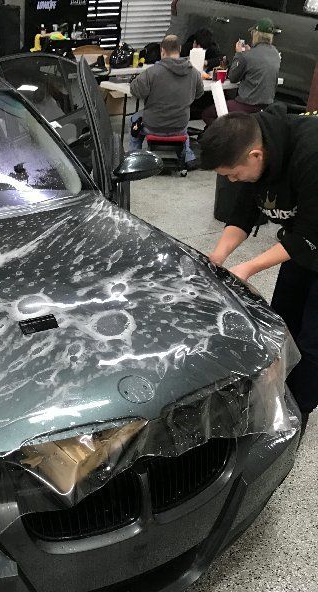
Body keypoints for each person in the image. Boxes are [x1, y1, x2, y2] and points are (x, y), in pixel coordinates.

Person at [199, 107, 318, 436]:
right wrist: (218, 257)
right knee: (283, 322)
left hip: (312, 231)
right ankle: (275, 393)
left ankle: (297, 414)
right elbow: (243, 212)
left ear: (255, 155)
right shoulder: (255, 151)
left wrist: (248, 267)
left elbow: (311, 233)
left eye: (234, 174)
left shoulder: (311, 153)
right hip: (303, 240)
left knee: (312, 342)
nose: (233, 180)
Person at [129, 35, 203, 168]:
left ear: (162, 50)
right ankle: (188, 155)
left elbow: (136, 91)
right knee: (183, 126)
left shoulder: (151, 72)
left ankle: (134, 158)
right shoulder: (194, 73)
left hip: (153, 125)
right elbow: (199, 94)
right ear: (179, 49)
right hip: (180, 126)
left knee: (135, 119)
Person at [202, 18, 280, 127]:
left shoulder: (247, 56)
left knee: (207, 114)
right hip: (266, 105)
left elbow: (233, 77)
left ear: (255, 34)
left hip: (246, 104)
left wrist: (239, 54)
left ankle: (227, 135)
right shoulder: (275, 54)